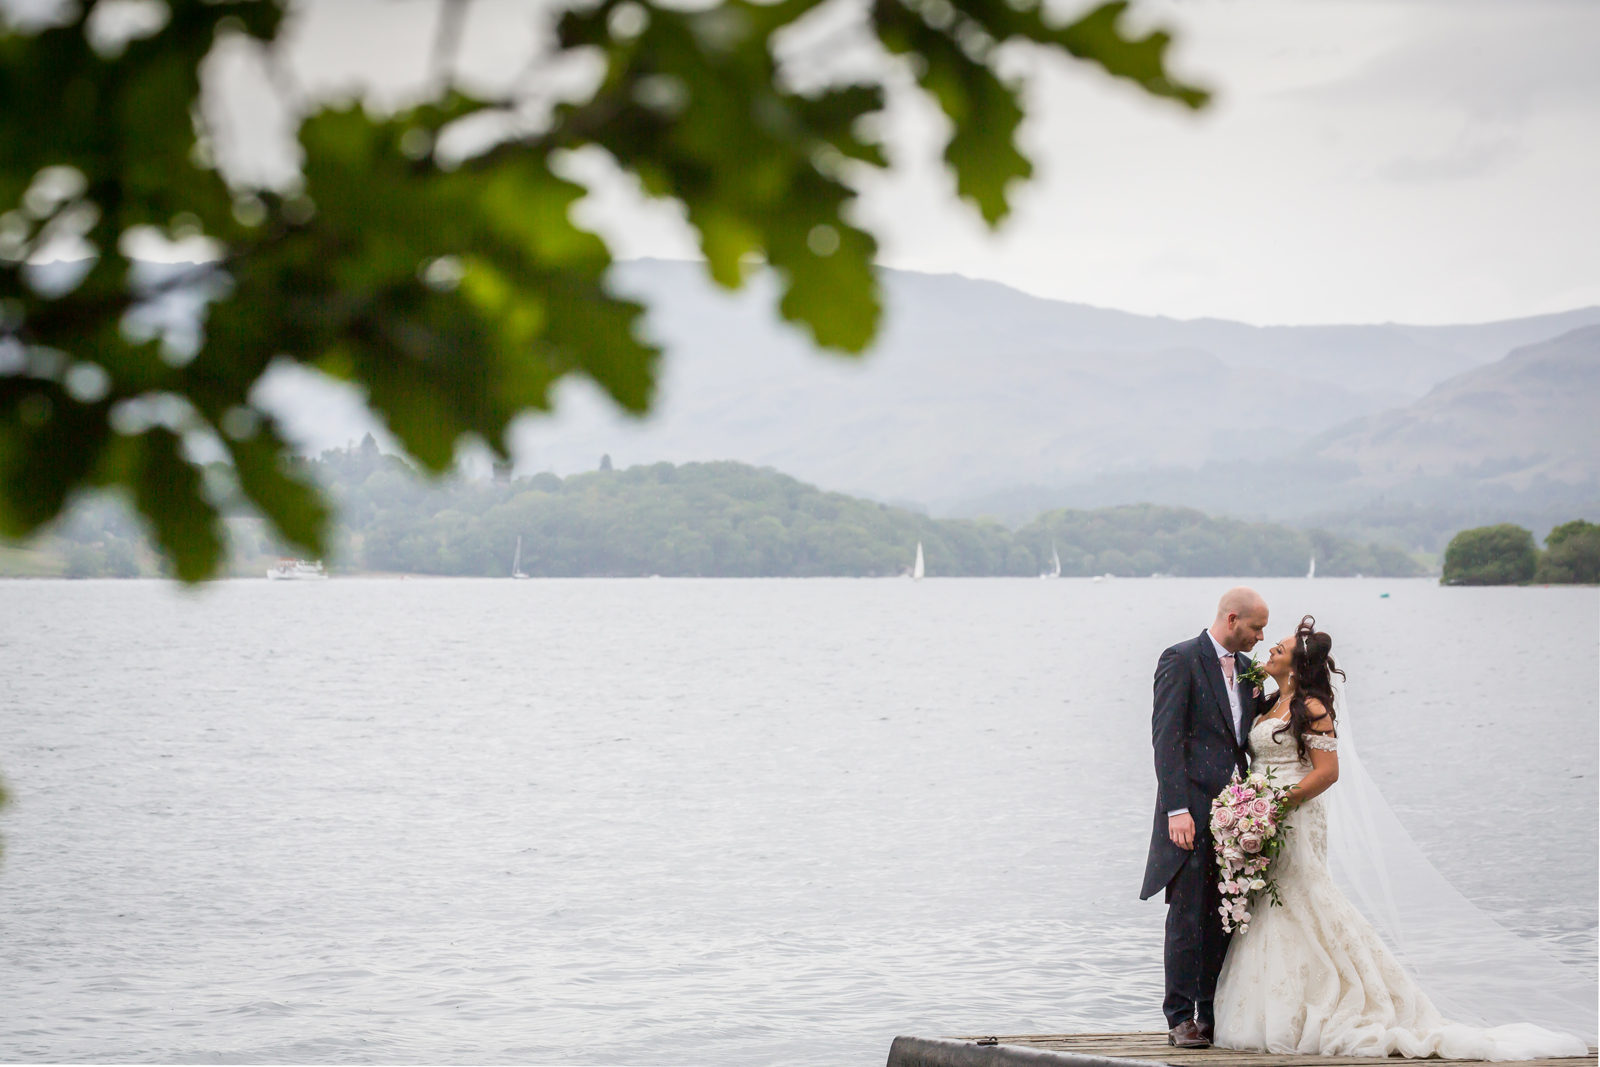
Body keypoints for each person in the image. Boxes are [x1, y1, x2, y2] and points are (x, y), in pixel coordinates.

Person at [1212, 617, 1589, 1060]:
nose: (1270, 651)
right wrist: (1246, 806)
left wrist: (1277, 805)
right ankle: (1272, 1006)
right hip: (1264, 816)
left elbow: (1328, 773)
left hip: (1294, 817)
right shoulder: (1270, 702)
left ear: (1297, 664)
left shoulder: (1312, 707)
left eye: (1279, 648)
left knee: (1304, 895)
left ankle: (1344, 1000)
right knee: (1273, 902)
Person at [1140, 587, 1271, 1049]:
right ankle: (1179, 1017)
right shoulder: (1180, 659)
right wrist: (1176, 809)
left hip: (1237, 815)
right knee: (1187, 916)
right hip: (1190, 812)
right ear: (1232, 619)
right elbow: (1166, 739)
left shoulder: (1251, 672)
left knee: (1226, 915)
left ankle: (1213, 1013)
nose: (1261, 636)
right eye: (1256, 627)